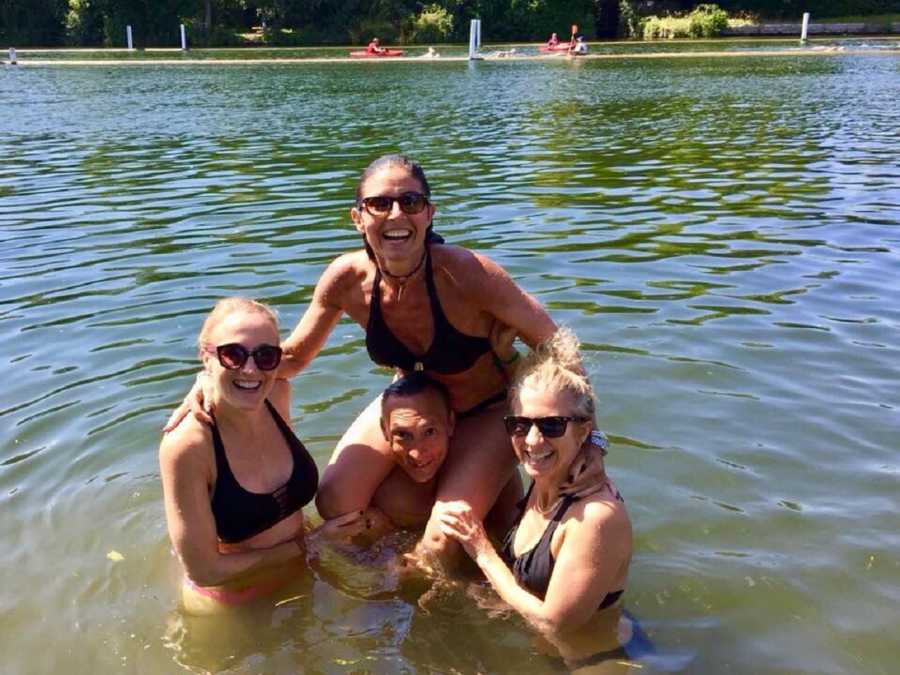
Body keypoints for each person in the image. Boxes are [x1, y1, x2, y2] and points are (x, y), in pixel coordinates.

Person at [166, 154, 558, 569]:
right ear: (357, 217)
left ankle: (440, 579)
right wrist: (212, 375)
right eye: (378, 204)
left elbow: (556, 346)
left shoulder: (467, 272)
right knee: (337, 502)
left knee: (443, 537)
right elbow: (293, 358)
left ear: (429, 214)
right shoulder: (346, 279)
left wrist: (582, 445)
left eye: (410, 202)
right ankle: (391, 565)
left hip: (486, 409)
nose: (395, 215)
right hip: (412, 403)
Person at [159, 298, 365, 613]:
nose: (251, 369)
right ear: (206, 356)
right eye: (233, 354)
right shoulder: (189, 446)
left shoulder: (276, 394)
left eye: (266, 355)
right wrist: (310, 545)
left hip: (303, 574)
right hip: (235, 606)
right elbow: (204, 570)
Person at [437, 327, 632, 647]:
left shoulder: (596, 518)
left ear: (583, 432)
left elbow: (553, 625)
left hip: (590, 664)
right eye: (520, 424)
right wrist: (506, 356)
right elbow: (536, 396)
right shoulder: (547, 479)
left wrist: (481, 549)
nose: (532, 440)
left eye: (552, 426)